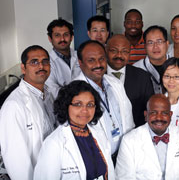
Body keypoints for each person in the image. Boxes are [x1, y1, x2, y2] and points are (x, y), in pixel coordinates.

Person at [34, 80, 115, 180]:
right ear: (66, 106)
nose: (85, 110)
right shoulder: (53, 144)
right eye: (78, 104)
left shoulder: (99, 134)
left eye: (90, 105)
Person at [0, 45, 56, 180]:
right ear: (23, 68)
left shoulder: (48, 95)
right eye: (34, 62)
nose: (41, 66)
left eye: (45, 61)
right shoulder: (13, 105)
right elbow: (16, 160)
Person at [115, 94, 179, 180]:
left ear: (170, 115)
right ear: (146, 115)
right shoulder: (129, 141)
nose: (159, 118)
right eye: (153, 112)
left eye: (164, 113)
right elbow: (124, 177)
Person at [75, 40, 135, 163]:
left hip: (123, 156)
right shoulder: (74, 92)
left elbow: (128, 118)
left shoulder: (115, 84)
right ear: (80, 63)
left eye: (101, 59)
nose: (98, 64)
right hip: (96, 159)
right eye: (91, 60)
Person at [106, 34, 154, 127]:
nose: (119, 55)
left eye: (124, 51)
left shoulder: (142, 77)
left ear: (130, 53)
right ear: (106, 50)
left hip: (135, 135)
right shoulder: (97, 76)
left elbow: (149, 110)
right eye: (114, 50)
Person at [45, 18, 81, 98]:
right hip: (61, 106)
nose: (62, 39)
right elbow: (53, 91)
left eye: (66, 34)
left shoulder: (80, 56)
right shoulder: (47, 62)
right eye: (57, 35)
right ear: (50, 38)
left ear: (71, 37)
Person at [134, 25, 169, 94]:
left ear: (167, 44)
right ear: (145, 46)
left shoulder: (178, 65)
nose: (155, 47)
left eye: (159, 41)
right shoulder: (136, 68)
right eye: (150, 43)